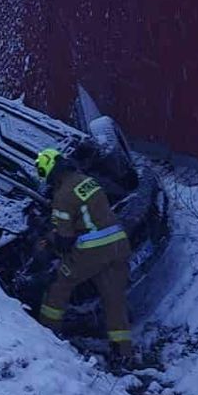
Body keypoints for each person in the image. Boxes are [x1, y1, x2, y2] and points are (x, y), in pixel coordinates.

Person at [33, 148, 133, 363]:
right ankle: (123, 353)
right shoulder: (87, 181)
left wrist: (48, 241)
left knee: (58, 286)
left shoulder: (62, 197)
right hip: (119, 243)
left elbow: (64, 239)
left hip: (93, 250)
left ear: (49, 172)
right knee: (114, 299)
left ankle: (44, 337)